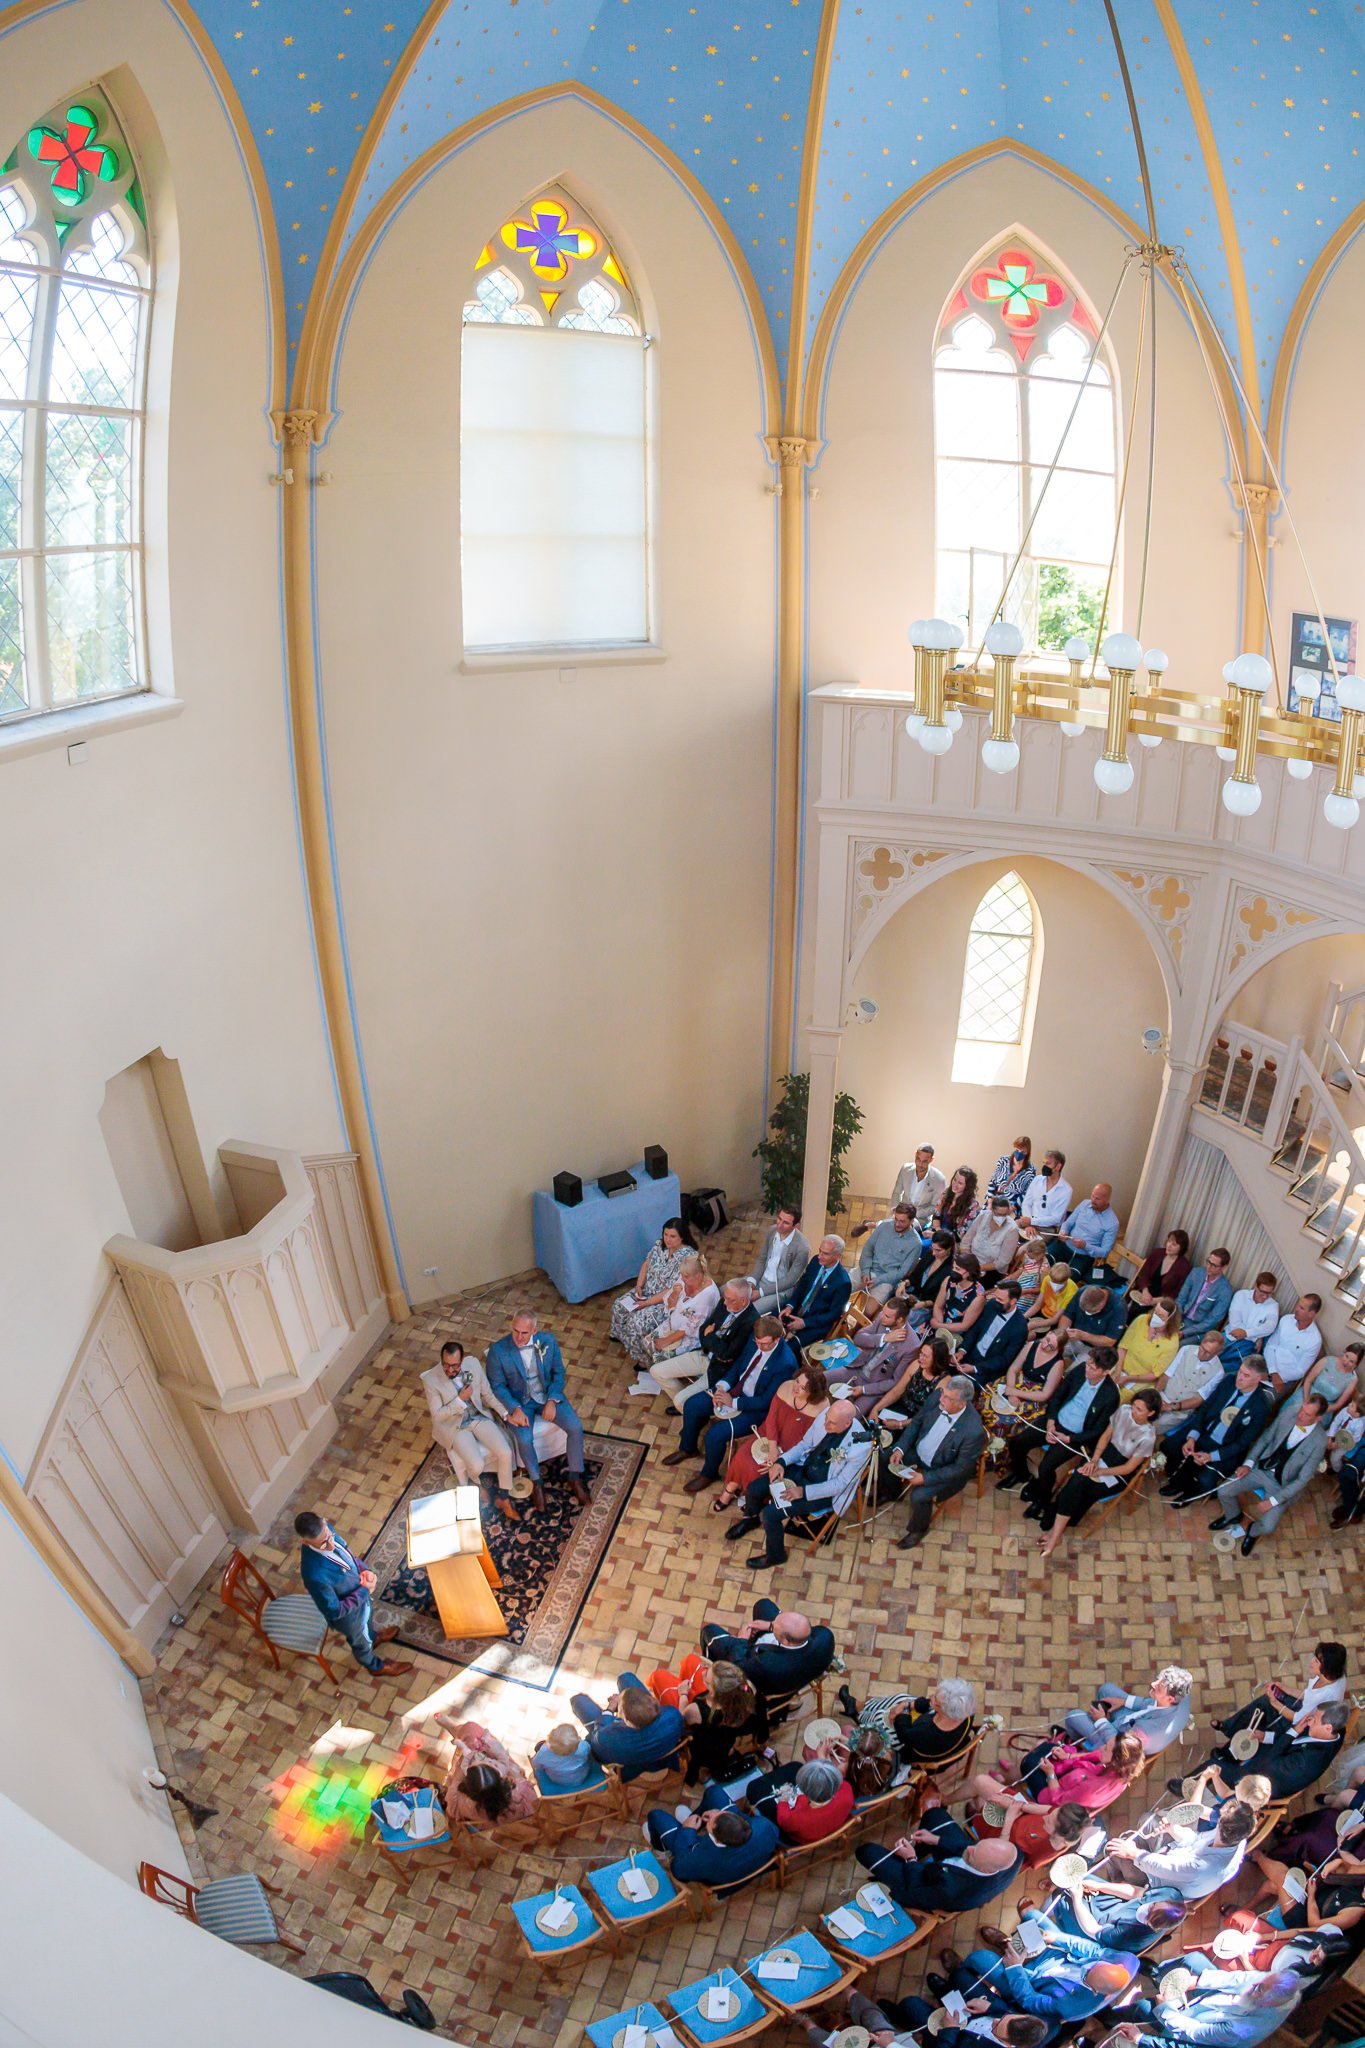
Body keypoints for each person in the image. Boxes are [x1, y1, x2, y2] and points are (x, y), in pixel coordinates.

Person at [664, 1314, 795, 1493]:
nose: (760, 1347)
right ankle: (687, 1448)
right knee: (692, 1405)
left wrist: (733, 1403)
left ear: (777, 1339)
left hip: (755, 1408)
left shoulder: (785, 1363)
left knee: (715, 1435)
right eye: (757, 1342)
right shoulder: (754, 1340)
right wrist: (722, 1387)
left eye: (765, 1344)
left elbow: (766, 1401)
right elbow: (739, 1366)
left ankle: (708, 1474)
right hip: (733, 1391)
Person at [735, 1399, 874, 1567]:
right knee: (754, 1488)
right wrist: (781, 1462)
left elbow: (840, 1485)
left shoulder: (861, 1447)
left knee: (771, 1515)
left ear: (847, 1424)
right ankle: (750, 1518)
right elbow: (804, 1445)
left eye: (832, 1423)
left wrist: (804, 1492)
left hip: (823, 1490)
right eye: (826, 1419)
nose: (825, 1424)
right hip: (803, 1468)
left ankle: (776, 1555)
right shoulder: (826, 1416)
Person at [934, 1929, 1137, 2036]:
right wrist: (1055, 1938)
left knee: (981, 1958)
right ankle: (1007, 1944)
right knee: (1033, 1926)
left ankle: (961, 1970)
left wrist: (1015, 1968)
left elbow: (1030, 2000)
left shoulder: (1073, 2007)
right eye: (1094, 1966)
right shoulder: (1127, 1961)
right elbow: (1092, 1950)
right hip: (1056, 1960)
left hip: (1032, 1983)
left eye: (1088, 1974)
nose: (1088, 1967)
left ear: (1093, 1991)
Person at [485, 1309, 590, 1508]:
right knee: (524, 1439)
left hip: (546, 1396)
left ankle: (575, 1477)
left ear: (535, 1330)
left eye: (524, 1333)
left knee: (575, 1427)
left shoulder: (548, 1342)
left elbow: (559, 1373)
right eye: (515, 1330)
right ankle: (536, 1483)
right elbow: (497, 1386)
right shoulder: (498, 1351)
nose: (518, 1337)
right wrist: (514, 1408)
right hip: (520, 1403)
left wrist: (551, 1400)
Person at [1037, 1390, 1161, 1555]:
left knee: (1082, 1485)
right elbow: (1106, 1435)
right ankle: (1056, 1534)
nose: (1133, 1411)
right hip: (1104, 1453)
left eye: (1139, 1410)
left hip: (1119, 1469)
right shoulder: (1124, 1410)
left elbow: (1128, 1468)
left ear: (1151, 1413)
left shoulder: (1148, 1436)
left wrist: (1101, 1471)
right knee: (1078, 1479)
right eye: (1134, 1406)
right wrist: (1094, 1460)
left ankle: (1055, 1532)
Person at [1207, 1391, 1332, 1554]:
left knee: (1268, 1526)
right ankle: (1233, 1515)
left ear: (1318, 1418)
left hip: (1281, 1485)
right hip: (1261, 1469)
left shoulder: (1319, 1441)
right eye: (1302, 1409)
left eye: (1307, 1414)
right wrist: (1249, 1463)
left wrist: (1273, 1501)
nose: (1300, 1415)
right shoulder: (1290, 1412)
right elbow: (1266, 1438)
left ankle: (1252, 1532)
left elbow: (1302, 1480)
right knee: (1223, 1490)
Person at [1001, 1350, 1120, 1510]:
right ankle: (1021, 1473)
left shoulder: (1111, 1395)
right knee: (1018, 1442)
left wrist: (1069, 1439)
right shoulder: (1080, 1370)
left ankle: (1043, 1497)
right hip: (1055, 1420)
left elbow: (1098, 1430)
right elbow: (1058, 1395)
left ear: (1105, 1372)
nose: (1088, 1369)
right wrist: (1050, 1422)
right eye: (1089, 1364)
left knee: (1046, 1467)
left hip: (1074, 1436)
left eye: (1093, 1368)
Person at [709, 1360, 830, 1514]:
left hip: (793, 1446)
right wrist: (773, 1447)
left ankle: (752, 1497)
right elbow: (772, 1418)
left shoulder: (823, 1406)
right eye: (797, 1381)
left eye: (803, 1388)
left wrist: (782, 1456)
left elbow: (809, 1440)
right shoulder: (786, 1386)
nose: (796, 1387)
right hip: (769, 1434)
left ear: (812, 1393)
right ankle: (730, 1489)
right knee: (742, 1457)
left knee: (761, 1469)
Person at [294, 1511, 404, 1677]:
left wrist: (363, 1570)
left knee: (368, 1628)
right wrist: (364, 1590)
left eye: (329, 1537)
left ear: (324, 1522)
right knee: (361, 1643)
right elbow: (334, 1611)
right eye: (323, 1545)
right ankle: (374, 1666)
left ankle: (374, 1637)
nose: (330, 1545)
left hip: (361, 1597)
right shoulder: (313, 1574)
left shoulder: (326, 1530)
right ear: (305, 1541)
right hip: (350, 1618)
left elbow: (347, 1554)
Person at [420, 1340, 520, 1518]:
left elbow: (487, 1395)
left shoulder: (473, 1364)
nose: (450, 1370)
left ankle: (504, 1498)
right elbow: (437, 1416)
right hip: (456, 1426)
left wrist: (506, 1415)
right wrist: (459, 1400)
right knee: (476, 1464)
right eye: (446, 1365)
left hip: (478, 1417)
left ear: (462, 1360)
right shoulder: (431, 1380)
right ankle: (476, 1485)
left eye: (455, 1366)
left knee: (505, 1451)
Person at [888, 1373, 988, 1551]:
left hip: (942, 1468)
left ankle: (918, 1530)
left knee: (919, 1496)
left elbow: (961, 1468)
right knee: (885, 1456)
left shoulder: (973, 1431)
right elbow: (917, 1422)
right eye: (943, 1394)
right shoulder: (938, 1397)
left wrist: (925, 1479)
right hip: (920, 1451)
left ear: (961, 1404)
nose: (941, 1398)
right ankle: (889, 1492)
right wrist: (900, 1448)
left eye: (948, 1398)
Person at [855, 1807, 1021, 1914]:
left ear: (986, 1870)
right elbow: (966, 1847)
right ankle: (917, 1851)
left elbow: (914, 1892)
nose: (969, 1848)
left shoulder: (950, 1891)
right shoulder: (1014, 1855)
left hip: (925, 1885)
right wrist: (935, 1840)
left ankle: (909, 1857)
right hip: (945, 1870)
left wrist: (911, 1860)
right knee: (934, 1814)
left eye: (973, 1854)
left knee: (866, 1851)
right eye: (977, 1845)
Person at [1160, 1356, 1277, 1506]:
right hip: (1205, 1431)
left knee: (1206, 1479)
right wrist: (1192, 1437)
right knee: (1169, 1446)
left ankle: (1191, 1494)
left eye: (1246, 1376)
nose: (1239, 1378)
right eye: (1240, 1371)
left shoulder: (1260, 1407)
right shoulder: (1229, 1381)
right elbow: (1205, 1408)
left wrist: (1211, 1456)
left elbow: (1242, 1443)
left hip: (1225, 1446)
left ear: (1258, 1379)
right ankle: (1177, 1481)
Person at [1192, 1700, 1350, 1802]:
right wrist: (1267, 1737)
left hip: (1264, 1781)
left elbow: (1267, 1763)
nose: (1309, 1721)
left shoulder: (1306, 1763)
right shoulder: (1337, 1732)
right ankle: (1227, 1756)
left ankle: (1189, 1785)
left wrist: (1294, 1730)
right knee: (1260, 1725)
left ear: (1328, 1727)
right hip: (1277, 1761)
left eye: (1314, 1719)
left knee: (1211, 1765)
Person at [967, 1730, 1146, 1818]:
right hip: (1074, 1776)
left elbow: (1058, 1801)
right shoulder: (1120, 1769)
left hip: (1052, 1796)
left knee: (1030, 1761)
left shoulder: (1092, 1790)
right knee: (1046, 1748)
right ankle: (1012, 1772)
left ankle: (1012, 1774)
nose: (1102, 1748)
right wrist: (1068, 1755)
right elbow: (1092, 1755)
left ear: (1115, 1761)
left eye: (1106, 1747)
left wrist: (1051, 1774)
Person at [1106, 1968, 1300, 2048]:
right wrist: (1198, 1981)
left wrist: (1164, 2009)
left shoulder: (1241, 2030)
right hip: (1209, 2005)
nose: (1254, 1984)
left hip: (1195, 2031)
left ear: (1268, 2002)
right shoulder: (1278, 1986)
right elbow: (1240, 1978)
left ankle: (1108, 2019)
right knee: (1193, 1961)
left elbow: (1193, 2032)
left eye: (1258, 1989)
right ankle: (1157, 1972)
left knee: (1143, 2008)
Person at [1105, 1796, 1256, 1898]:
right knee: (1148, 1820)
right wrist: (1172, 1828)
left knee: (1113, 1849)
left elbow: (1162, 1867)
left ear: (1222, 1825)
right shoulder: (1236, 1838)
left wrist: (1132, 1852)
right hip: (1175, 1859)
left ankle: (1117, 1886)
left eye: (1220, 1818)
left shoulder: (1202, 1867)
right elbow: (1196, 1840)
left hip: (1157, 1883)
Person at [699, 1597, 835, 1700]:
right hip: (804, 1668)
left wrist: (741, 1641)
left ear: (786, 1641)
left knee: (709, 1631)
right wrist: (770, 1626)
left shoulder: (765, 1664)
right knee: (763, 1605)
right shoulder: (826, 1637)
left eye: (775, 1625)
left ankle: (713, 1670)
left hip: (773, 1682)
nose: (772, 1623)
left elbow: (739, 1664)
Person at [628, 1253, 721, 1398]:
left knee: (660, 1355)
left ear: (698, 1275)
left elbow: (691, 1327)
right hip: (673, 1324)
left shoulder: (707, 1295)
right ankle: (658, 1373)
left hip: (690, 1337)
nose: (682, 1279)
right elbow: (670, 1305)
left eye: (686, 1276)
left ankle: (675, 1387)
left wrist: (667, 1340)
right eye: (682, 1275)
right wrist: (675, 1295)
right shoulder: (684, 1280)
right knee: (647, 1343)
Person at [1214, 1641, 1348, 1741]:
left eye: (1317, 1661)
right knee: (1265, 1701)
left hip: (1304, 1723)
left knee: (1270, 1708)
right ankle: (1229, 1727)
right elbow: (1306, 1695)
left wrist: (1275, 1703)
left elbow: (1297, 1719)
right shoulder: (1335, 1676)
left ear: (1327, 1669)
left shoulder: (1323, 1696)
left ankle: (1246, 1737)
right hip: (1306, 1710)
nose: (1312, 1662)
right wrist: (1283, 1687)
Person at [646, 1791, 779, 1890]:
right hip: (753, 1858)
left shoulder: (702, 1859)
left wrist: (687, 1831)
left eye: (711, 1823)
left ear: (715, 1837)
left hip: (714, 1866)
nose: (714, 1815)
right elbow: (772, 1830)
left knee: (656, 1816)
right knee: (714, 1792)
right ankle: (694, 1820)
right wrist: (719, 1816)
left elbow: (678, 1870)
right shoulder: (763, 1825)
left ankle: (663, 1849)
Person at [568, 1672, 686, 1779]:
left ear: (626, 1720)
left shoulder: (606, 1740)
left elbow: (597, 1735)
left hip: (631, 1767)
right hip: (664, 1756)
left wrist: (610, 1708)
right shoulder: (673, 1716)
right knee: (625, 1678)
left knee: (578, 1701)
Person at [611, 1216, 695, 1362]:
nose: (667, 1239)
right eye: (665, 1234)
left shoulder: (688, 1258)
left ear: (682, 1237)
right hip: (646, 1291)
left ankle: (642, 1359)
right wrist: (638, 1285)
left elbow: (671, 1289)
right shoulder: (659, 1245)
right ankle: (621, 1336)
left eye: (672, 1236)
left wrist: (646, 1303)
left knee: (637, 1322)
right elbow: (646, 1264)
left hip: (664, 1301)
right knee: (619, 1306)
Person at [1063, 1665, 1194, 1755]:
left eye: (1159, 1687)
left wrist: (1101, 1721)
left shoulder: (1145, 1733)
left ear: (1170, 1699)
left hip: (1118, 1740)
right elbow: (1150, 1704)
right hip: (1135, 1720)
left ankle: (1077, 1740)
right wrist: (1123, 1701)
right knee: (1106, 1689)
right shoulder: (1182, 1695)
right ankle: (1093, 1724)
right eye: (1158, 1680)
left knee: (1073, 1716)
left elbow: (1117, 1746)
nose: (1153, 1684)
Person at [434, 1714, 537, 1830]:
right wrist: (501, 1758)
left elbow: (452, 1806)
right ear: (500, 1779)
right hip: (516, 1817)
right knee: (483, 1741)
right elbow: (526, 1786)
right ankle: (462, 1732)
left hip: (487, 1824)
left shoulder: (465, 1804)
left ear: (469, 1788)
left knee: (471, 1734)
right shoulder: (520, 1793)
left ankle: (456, 1730)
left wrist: (461, 1767)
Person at [717, 1755, 854, 1841]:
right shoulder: (847, 1789)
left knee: (755, 1789)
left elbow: (783, 1820)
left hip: (800, 1836)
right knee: (795, 1767)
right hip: (831, 1822)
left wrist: (783, 1798)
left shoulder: (794, 1819)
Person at [683, 1661, 767, 1784]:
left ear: (715, 1692)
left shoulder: (697, 1710)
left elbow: (682, 1720)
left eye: (706, 1678)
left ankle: (705, 1772)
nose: (703, 1673)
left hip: (711, 1744)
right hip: (734, 1731)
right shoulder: (748, 1689)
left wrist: (683, 1694)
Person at [847, 1299, 925, 1415]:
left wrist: (864, 1389)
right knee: (822, 1380)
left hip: (873, 1387)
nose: (881, 1316)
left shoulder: (912, 1345)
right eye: (883, 1312)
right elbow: (858, 1338)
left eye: (887, 1316)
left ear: (899, 1320)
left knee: (851, 1415)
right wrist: (884, 1338)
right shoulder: (882, 1319)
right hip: (856, 1370)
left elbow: (894, 1381)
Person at [994, 1326, 1069, 1443]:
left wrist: (1014, 1393)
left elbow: (1045, 1395)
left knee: (1004, 1421)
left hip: (1034, 1395)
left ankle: (997, 1449)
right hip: (1016, 1382)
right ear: (1048, 1333)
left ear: (1058, 1349)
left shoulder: (1058, 1364)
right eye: (1047, 1340)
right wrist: (1011, 1390)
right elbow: (1013, 1369)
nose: (1045, 1346)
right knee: (989, 1403)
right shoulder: (1032, 1345)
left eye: (1051, 1346)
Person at [779, 1234, 853, 1345]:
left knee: (790, 1348)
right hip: (797, 1308)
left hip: (815, 1322)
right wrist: (790, 1306)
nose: (819, 1256)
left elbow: (834, 1314)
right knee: (771, 1323)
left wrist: (805, 1323)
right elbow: (802, 1285)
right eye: (820, 1251)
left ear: (837, 1256)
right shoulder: (815, 1262)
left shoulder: (843, 1282)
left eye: (825, 1254)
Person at [1156, 1330, 1228, 1436]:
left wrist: (1172, 1407)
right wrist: (1155, 1395)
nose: (1202, 1353)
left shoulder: (1218, 1372)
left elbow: (1198, 1399)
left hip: (1179, 1410)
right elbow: (1166, 1375)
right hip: (1163, 1395)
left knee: (1154, 1426)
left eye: (1207, 1352)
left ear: (1217, 1353)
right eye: (1202, 1348)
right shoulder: (1186, 1350)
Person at [961, 1279, 1029, 1384]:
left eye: (1000, 1299)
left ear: (1013, 1301)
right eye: (995, 1297)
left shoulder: (1020, 1327)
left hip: (987, 1367)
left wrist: (975, 1368)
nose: (996, 1301)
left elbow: (1004, 1359)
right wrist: (962, 1350)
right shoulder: (992, 1305)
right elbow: (976, 1329)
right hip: (971, 1352)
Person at [850, 1206, 921, 1306]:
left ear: (911, 1221)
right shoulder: (884, 1226)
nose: (897, 1224)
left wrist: (878, 1280)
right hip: (867, 1270)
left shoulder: (915, 1243)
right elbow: (868, 1248)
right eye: (896, 1219)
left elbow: (902, 1272)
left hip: (886, 1279)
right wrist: (865, 1271)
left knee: (868, 1313)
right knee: (840, 1288)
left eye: (902, 1221)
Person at [1047, 1184, 1120, 1281]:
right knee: (1044, 1260)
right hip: (1065, 1246)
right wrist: (1063, 1231)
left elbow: (1105, 1251)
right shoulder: (1085, 1204)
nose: (1093, 1200)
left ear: (1107, 1200)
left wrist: (1085, 1246)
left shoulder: (1112, 1222)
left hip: (1083, 1256)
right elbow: (1068, 1223)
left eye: (1097, 1198)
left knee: (1069, 1279)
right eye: (1092, 1196)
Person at [748, 1206, 811, 1315]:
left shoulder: (803, 1248)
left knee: (750, 1312)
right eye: (779, 1219)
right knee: (726, 1291)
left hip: (780, 1289)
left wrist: (761, 1292)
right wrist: (752, 1281)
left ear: (796, 1226)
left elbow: (790, 1280)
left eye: (785, 1223)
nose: (779, 1225)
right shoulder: (772, 1231)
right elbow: (762, 1259)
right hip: (762, 1279)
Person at [1115, 1301, 1181, 1400]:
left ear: (1169, 1320)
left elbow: (1155, 1374)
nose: (1156, 1317)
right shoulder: (1141, 1320)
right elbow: (1123, 1347)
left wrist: (1127, 1378)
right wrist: (1117, 1371)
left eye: (1161, 1316)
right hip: (1120, 1368)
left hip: (1139, 1382)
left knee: (1118, 1399)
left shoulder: (1172, 1343)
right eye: (1155, 1312)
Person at [1262, 1293, 1324, 1395]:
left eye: (1301, 1308)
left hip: (1283, 1380)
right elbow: (1270, 1346)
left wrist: (1273, 1376)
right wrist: (1272, 1371)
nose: (1296, 1309)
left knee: (1262, 1401)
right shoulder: (1286, 1320)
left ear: (1311, 1314)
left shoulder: (1315, 1340)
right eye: (1298, 1305)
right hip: (1266, 1365)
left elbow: (1300, 1371)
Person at [1126, 1231, 1193, 1320]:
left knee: (1143, 1316)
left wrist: (1154, 1301)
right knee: (1131, 1310)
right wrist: (1145, 1291)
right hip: (1145, 1292)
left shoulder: (1184, 1266)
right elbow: (1144, 1274)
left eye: (1174, 1244)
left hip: (1162, 1300)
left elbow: (1176, 1293)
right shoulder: (1157, 1253)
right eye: (1169, 1241)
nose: (1169, 1245)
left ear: (1181, 1248)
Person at [1221, 1271, 1282, 1363]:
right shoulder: (1241, 1295)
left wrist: (1246, 1333)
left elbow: (1270, 1327)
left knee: (1232, 1368)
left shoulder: (1273, 1305)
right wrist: (1257, 1337)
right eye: (1262, 1291)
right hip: (1229, 1335)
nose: (1265, 1296)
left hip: (1247, 1345)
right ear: (1255, 1286)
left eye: (1269, 1293)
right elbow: (1235, 1324)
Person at [1175, 1249, 1234, 1342]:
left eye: (1214, 1265)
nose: (1209, 1267)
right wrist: (1177, 1317)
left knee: (1180, 1343)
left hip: (1199, 1327)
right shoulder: (1196, 1273)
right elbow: (1181, 1298)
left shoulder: (1225, 1290)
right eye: (1208, 1262)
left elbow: (1212, 1321)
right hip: (1182, 1315)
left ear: (1223, 1267)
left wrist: (1185, 1332)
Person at [889, 1142, 948, 1228]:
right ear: (915, 1154)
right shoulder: (905, 1169)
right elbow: (897, 1192)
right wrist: (895, 1210)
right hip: (899, 1214)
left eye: (924, 1162)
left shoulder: (939, 1179)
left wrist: (916, 1213)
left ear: (931, 1160)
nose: (920, 1164)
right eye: (918, 1159)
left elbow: (935, 1206)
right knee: (885, 1229)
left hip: (920, 1219)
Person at [930, 1250, 987, 1339]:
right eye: (953, 1267)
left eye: (958, 1269)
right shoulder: (948, 1280)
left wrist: (940, 1326)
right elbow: (938, 1305)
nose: (953, 1271)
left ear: (969, 1272)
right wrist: (939, 1324)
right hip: (940, 1320)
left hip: (956, 1333)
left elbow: (964, 1325)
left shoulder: (978, 1296)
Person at [1303, 1336, 1364, 1417]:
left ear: (1356, 1364)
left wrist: (1318, 1411)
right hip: (1306, 1396)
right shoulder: (1327, 1360)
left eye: (1351, 1362)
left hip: (1325, 1408)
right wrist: (1307, 1399)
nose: (1346, 1362)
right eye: (1346, 1356)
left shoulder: (1353, 1379)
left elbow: (1338, 1404)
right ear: (1344, 1351)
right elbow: (1308, 1381)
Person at [964, 1198, 1022, 1283]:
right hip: (971, 1262)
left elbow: (1002, 1262)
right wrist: (965, 1258)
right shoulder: (983, 1216)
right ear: (992, 1211)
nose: (1002, 1218)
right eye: (999, 1214)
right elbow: (966, 1240)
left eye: (1004, 1215)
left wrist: (978, 1268)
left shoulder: (1012, 1229)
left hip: (991, 1270)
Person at [1061, 1282, 1126, 1356]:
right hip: (1073, 1338)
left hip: (1094, 1348)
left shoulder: (1119, 1308)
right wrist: (1063, 1334)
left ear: (1101, 1305)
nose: (1086, 1313)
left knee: (1080, 1367)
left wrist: (1083, 1336)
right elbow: (1067, 1315)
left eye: (1089, 1311)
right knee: (1052, 1351)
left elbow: (1110, 1341)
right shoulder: (1083, 1290)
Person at [1020, 1150, 1073, 1235]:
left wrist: (1032, 1222)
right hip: (1028, 1222)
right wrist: (1029, 1223)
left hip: (1047, 1229)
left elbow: (1056, 1218)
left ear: (1058, 1166)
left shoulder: (1066, 1190)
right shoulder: (1037, 1180)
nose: (1044, 1166)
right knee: (1007, 1231)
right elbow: (1026, 1203)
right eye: (1043, 1163)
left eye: (1047, 1164)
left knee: (1028, 1247)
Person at [531, 1722, 592, 1787]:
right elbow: (587, 1752)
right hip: (581, 1777)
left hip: (558, 1780)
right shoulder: (584, 1746)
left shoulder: (544, 1753)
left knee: (538, 1746)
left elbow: (535, 1765)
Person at [1027, 1261, 1078, 1337]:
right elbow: (1037, 1305)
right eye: (1053, 1281)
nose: (1054, 1285)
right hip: (1042, 1313)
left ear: (1066, 1280)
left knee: (1029, 1335)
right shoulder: (1047, 1279)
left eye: (1058, 1283)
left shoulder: (1072, 1291)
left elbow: (1055, 1319)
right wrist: (1023, 1317)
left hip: (1053, 1322)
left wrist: (1034, 1325)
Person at [987, 1136, 1037, 1212]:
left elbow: (1026, 1193)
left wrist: (1011, 1209)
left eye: (1023, 1152)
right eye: (1017, 1150)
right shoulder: (1003, 1160)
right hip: (994, 1203)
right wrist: (990, 1203)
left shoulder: (1031, 1169)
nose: (1019, 1153)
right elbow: (992, 1182)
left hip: (1012, 1207)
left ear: (1027, 1152)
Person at [938, 1165, 981, 1243]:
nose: (955, 1184)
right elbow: (936, 1215)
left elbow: (961, 1234)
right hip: (937, 1231)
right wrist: (937, 1230)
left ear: (968, 1187)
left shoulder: (972, 1205)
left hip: (951, 1240)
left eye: (960, 1183)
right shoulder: (946, 1193)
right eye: (954, 1180)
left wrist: (938, 1235)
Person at [1009, 1236, 1052, 1309]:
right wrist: (1010, 1278)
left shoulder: (1044, 1270)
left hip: (1028, 1296)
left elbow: (1040, 1290)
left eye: (1032, 1258)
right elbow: (1022, 1270)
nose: (1029, 1259)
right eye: (1029, 1256)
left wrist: (1024, 1291)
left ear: (1041, 1255)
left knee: (1010, 1306)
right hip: (1019, 1287)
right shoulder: (1029, 1258)